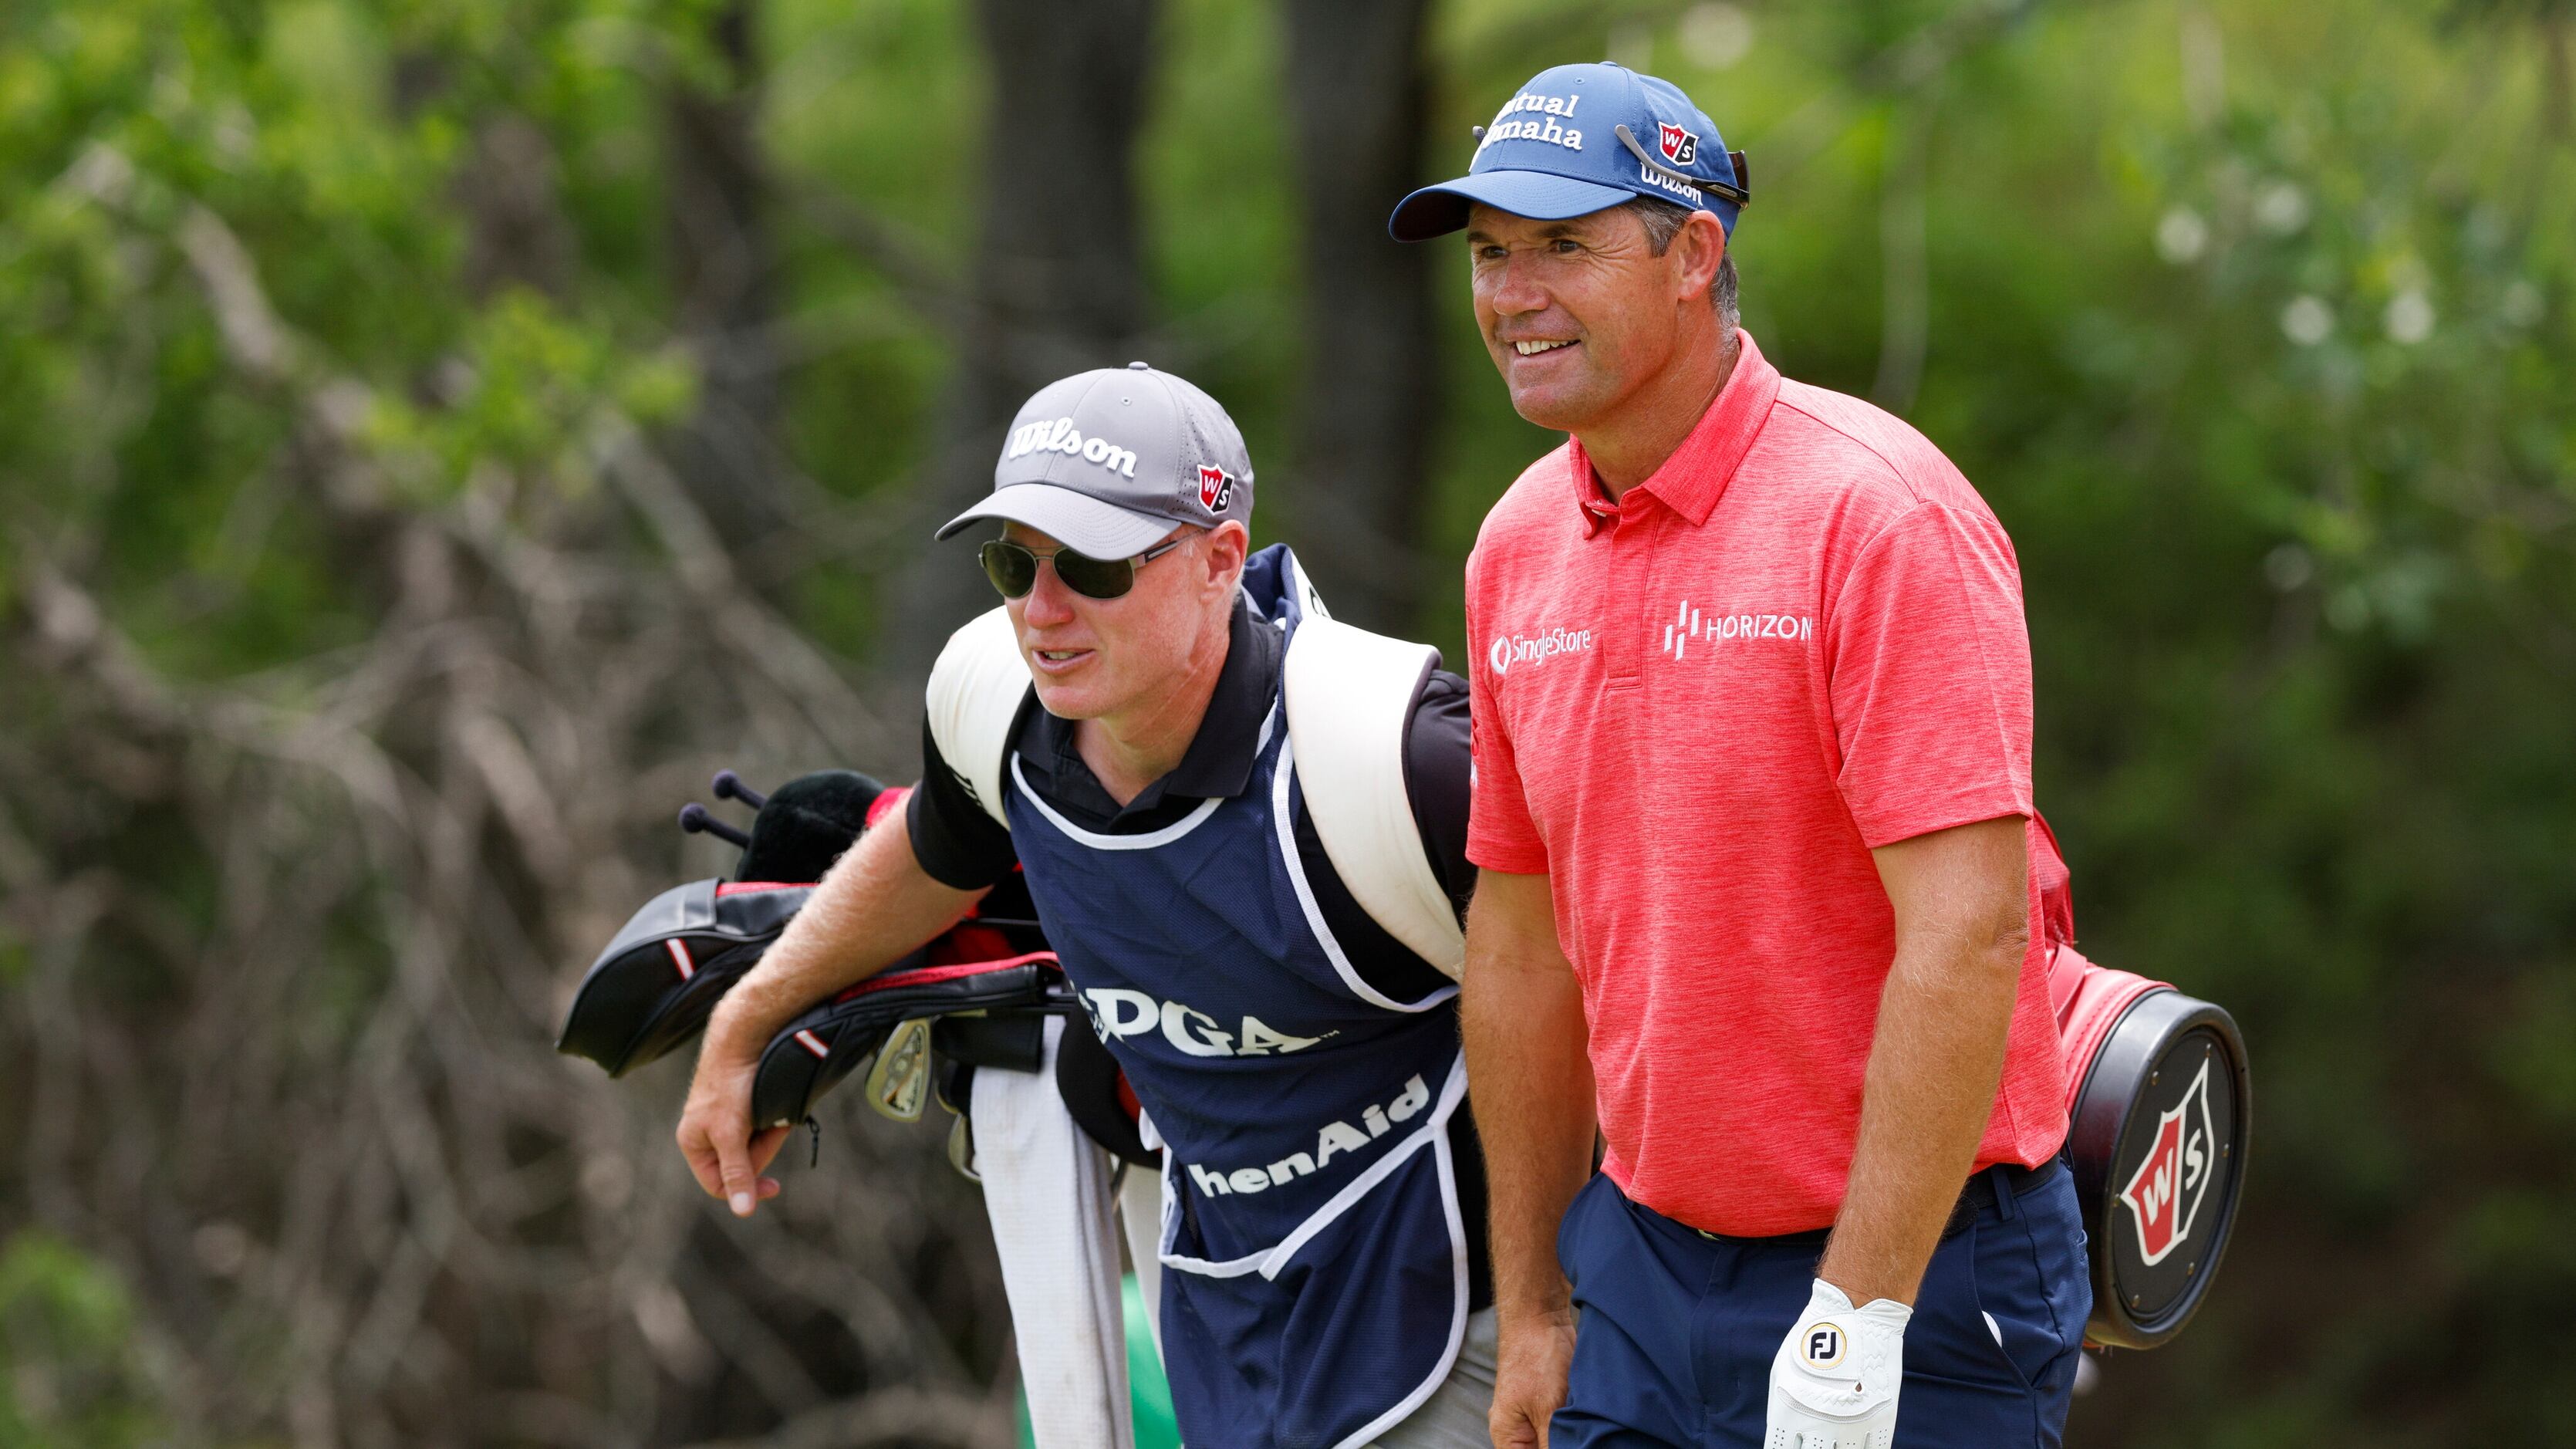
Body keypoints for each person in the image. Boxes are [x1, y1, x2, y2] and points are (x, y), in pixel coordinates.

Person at [1388, 62, 2089, 1448]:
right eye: (1489, 255)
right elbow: (1520, 954)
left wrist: (1858, 1318)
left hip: (1926, 1267)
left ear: (1694, 253)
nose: (1512, 294)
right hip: (1643, 1271)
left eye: (1563, 247)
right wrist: (1530, 1304)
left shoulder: (1877, 515)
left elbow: (1969, 932)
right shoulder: (1516, 546)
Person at [673, 362, 1500, 1449]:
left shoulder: (1393, 752)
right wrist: (744, 1021)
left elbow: (1597, 989)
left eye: (1097, 566)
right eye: (1014, 561)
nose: (1042, 608)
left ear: (1218, 562)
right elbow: (934, 847)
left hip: (1459, 1315)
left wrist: (1550, 1308)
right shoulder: (994, 703)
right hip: (1230, 1314)